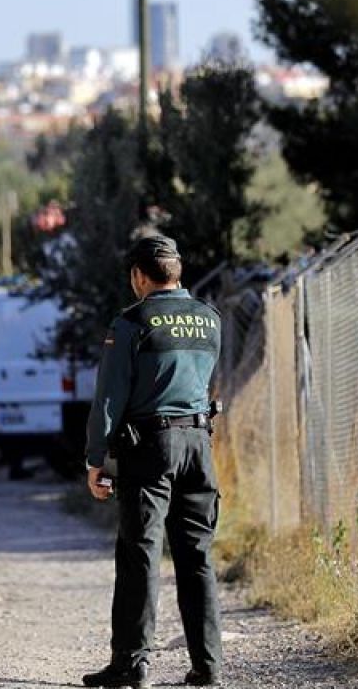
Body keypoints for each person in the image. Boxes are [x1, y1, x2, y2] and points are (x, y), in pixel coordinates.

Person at [82, 235, 223, 689]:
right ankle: (207, 666)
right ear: (177, 271)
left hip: (150, 448)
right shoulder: (209, 320)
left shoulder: (132, 323)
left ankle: (131, 664)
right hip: (199, 444)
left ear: (140, 276)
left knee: (141, 552)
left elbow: (109, 396)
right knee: (196, 555)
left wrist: (96, 458)